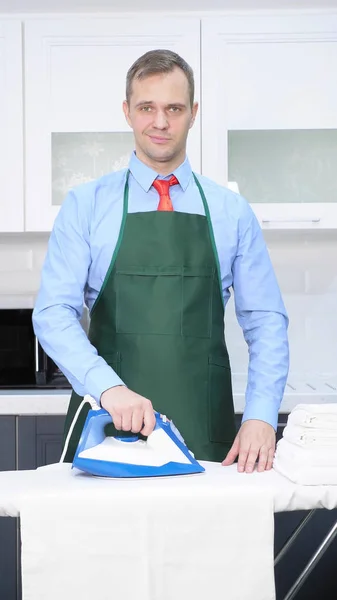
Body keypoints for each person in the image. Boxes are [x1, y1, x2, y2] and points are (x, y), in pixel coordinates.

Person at [33, 49, 289, 473]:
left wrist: (261, 416)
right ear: (127, 112)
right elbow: (52, 314)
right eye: (146, 107)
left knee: (207, 540)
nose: (160, 122)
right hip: (109, 420)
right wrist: (109, 389)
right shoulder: (86, 206)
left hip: (204, 426)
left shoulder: (232, 212)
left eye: (174, 108)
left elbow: (266, 322)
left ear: (194, 113)